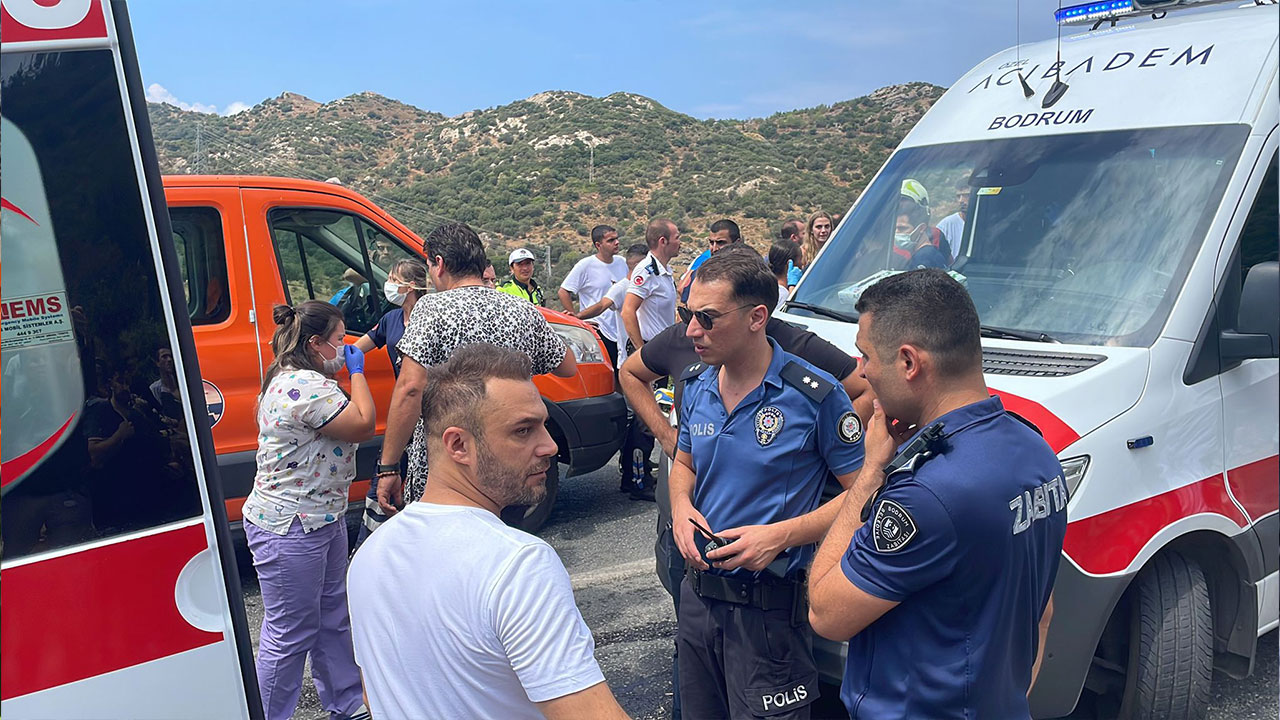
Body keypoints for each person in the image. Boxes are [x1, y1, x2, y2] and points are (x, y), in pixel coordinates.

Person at [618, 243, 873, 720]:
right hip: (696, 602)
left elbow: (865, 496)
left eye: (708, 318)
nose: (691, 330)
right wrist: (679, 507)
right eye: (686, 314)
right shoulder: (695, 384)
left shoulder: (814, 397)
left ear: (757, 317)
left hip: (768, 615)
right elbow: (686, 463)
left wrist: (782, 535)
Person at [807, 269, 1066, 719]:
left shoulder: (925, 492)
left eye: (866, 356)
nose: (863, 371)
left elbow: (826, 612)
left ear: (909, 362)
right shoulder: (1037, 451)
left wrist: (869, 473)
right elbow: (1041, 611)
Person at [347, 344, 629, 720]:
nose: (549, 446)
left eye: (543, 424)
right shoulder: (518, 564)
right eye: (523, 430)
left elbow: (374, 694)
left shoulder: (369, 554)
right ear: (458, 444)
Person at [375, 223, 576, 514]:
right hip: (508, 462)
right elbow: (567, 367)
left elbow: (410, 388)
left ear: (440, 264)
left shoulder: (432, 308)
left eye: (430, 265)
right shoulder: (520, 308)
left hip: (451, 464)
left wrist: (389, 466)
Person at [242, 300, 375, 720]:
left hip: (322, 516)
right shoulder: (305, 386)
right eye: (339, 340)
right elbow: (362, 422)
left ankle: (346, 701)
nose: (346, 346)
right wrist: (358, 373)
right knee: (289, 633)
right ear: (316, 344)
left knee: (333, 614)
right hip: (290, 526)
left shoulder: (289, 377)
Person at [351, 258, 430, 546]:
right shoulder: (391, 320)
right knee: (384, 476)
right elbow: (357, 349)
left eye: (393, 279)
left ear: (410, 286)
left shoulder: (429, 317)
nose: (388, 285)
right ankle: (369, 547)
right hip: (403, 412)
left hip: (428, 412)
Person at [618, 218, 682, 498]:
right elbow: (627, 311)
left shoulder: (664, 271)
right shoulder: (647, 270)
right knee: (647, 419)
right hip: (651, 356)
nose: (681, 241)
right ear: (663, 241)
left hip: (662, 355)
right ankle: (636, 480)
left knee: (655, 414)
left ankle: (639, 471)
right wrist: (641, 348)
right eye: (677, 236)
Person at [558, 225, 628, 367]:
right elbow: (564, 291)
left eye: (617, 238)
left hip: (621, 330)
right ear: (598, 245)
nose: (617, 242)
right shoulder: (586, 265)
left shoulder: (622, 262)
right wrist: (576, 320)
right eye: (611, 240)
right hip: (598, 330)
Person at [574, 243, 651, 370]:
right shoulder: (623, 287)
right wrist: (578, 317)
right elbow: (602, 305)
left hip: (655, 353)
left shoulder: (649, 285)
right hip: (632, 356)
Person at [677, 219, 741, 303]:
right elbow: (682, 289)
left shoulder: (749, 266)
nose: (714, 248)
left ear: (737, 243)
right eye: (711, 242)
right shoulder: (704, 259)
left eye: (720, 243)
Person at [893, 178, 952, 268]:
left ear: (921, 228)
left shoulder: (926, 256)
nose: (897, 233)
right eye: (895, 229)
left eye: (903, 228)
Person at [935, 178, 971, 255]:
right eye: (958, 196)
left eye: (967, 195)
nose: (961, 200)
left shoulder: (987, 223)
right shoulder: (946, 225)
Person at [768, 240, 801, 310]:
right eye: (800, 259)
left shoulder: (768, 287)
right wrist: (793, 287)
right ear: (789, 264)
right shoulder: (783, 295)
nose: (802, 263)